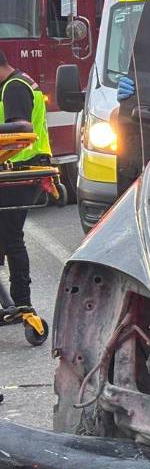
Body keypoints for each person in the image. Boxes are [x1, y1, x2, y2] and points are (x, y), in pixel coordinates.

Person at [0, 49, 51, 315]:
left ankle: (22, 303)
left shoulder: (14, 87)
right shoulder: (12, 84)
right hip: (14, 171)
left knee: (10, 236)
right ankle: (13, 303)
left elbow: (21, 129)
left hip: (21, 172)